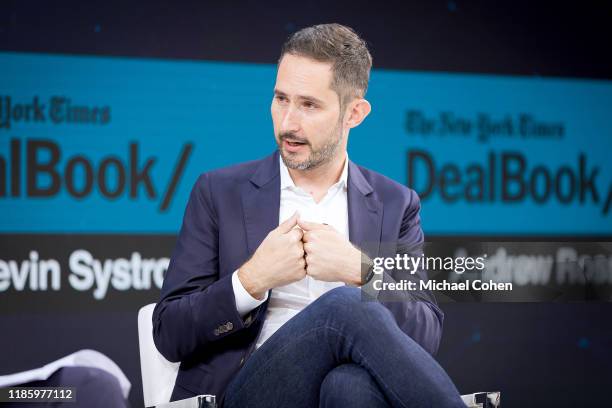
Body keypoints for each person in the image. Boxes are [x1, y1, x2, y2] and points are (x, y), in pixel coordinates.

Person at [153, 23, 464, 407]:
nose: (288, 123)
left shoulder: (395, 204)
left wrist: (362, 271)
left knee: (349, 387)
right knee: (345, 308)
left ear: (355, 114)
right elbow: (169, 332)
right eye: (281, 99)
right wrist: (250, 281)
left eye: (309, 105)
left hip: (342, 389)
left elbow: (425, 337)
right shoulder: (219, 192)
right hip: (246, 392)